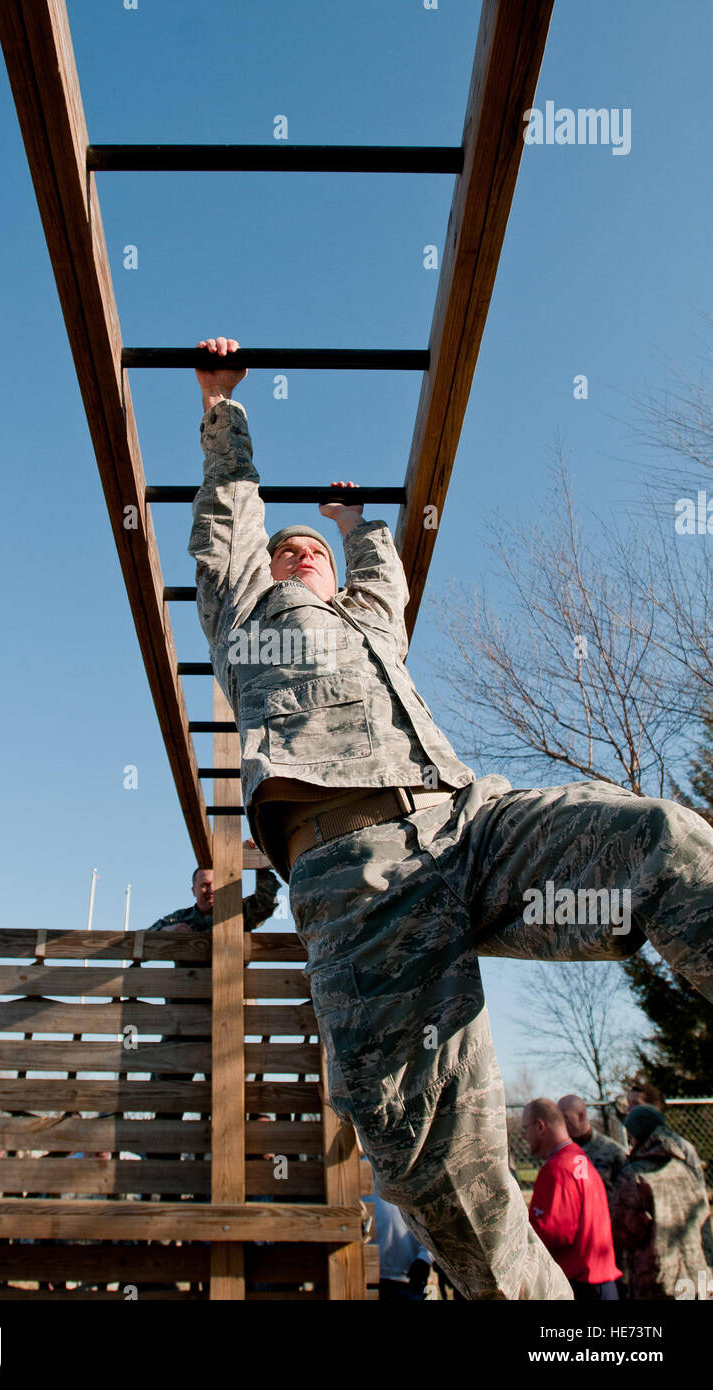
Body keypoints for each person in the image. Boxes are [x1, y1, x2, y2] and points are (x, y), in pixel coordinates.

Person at [187, 334, 713, 1301]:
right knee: (440, 1172)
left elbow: (383, 582)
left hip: (470, 825)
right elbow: (225, 524)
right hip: (356, 871)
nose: (300, 552)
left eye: (312, 550)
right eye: (287, 547)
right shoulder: (244, 618)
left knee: (661, 844)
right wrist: (224, 410)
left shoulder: (362, 619)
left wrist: (357, 524)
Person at [146, 855, 280, 1156]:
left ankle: (227, 1167)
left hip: (226, 1022)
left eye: (215, 884)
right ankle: (161, 1170)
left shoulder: (235, 915)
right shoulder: (177, 920)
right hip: (183, 1023)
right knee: (168, 1096)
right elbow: (146, 937)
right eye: (204, 885)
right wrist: (168, 936)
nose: (210, 890)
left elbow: (266, 903)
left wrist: (258, 865)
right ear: (193, 889)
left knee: (226, 1101)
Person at [609, 1105, 713, 1300]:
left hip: (656, 1278)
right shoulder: (684, 1168)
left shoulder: (635, 1175)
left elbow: (624, 1232)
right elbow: (701, 1214)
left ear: (636, 1136)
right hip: (695, 1271)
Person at [523, 1098, 621, 1301]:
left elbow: (553, 1233)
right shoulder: (579, 1157)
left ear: (540, 1126)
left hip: (581, 1284)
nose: (524, 1137)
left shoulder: (556, 1168)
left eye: (525, 1129)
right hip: (600, 1280)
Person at [622, 1080, 706, 1185]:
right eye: (629, 1103)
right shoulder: (634, 1146)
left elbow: (698, 1187)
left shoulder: (680, 1146)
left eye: (635, 1104)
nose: (629, 1109)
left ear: (654, 1109)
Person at [557, 1094, 627, 1196]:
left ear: (580, 1116)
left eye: (565, 1118)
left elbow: (625, 1196)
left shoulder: (613, 1151)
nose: (561, 1123)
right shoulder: (559, 1154)